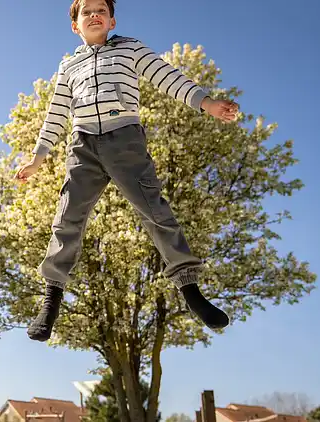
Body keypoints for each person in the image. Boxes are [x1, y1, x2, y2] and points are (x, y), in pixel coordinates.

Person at [16, 0, 238, 342]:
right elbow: (56, 113)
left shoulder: (130, 49)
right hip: (82, 144)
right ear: (75, 25)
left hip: (125, 140)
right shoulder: (68, 66)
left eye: (100, 10)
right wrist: (38, 156)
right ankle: (51, 299)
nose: (94, 15)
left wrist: (207, 104)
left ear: (112, 20)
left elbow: (168, 77)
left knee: (155, 212)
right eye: (86, 11)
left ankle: (191, 291)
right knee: (67, 218)